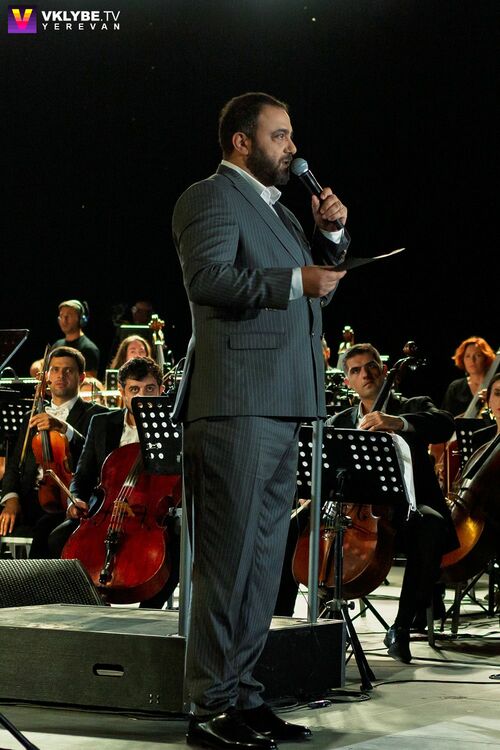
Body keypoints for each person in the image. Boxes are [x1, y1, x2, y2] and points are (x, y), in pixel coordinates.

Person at [172, 91, 350, 749]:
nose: (292, 147)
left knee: (263, 565)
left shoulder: (283, 214)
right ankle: (210, 707)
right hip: (235, 404)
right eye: (280, 136)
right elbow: (208, 280)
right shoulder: (210, 197)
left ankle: (245, 697)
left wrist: (331, 237)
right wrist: (295, 280)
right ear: (241, 141)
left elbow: (317, 284)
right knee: (227, 565)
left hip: (282, 402)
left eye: (292, 135)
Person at [326, 343, 458, 663]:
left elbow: (444, 423)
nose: (365, 374)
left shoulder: (412, 405)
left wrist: (397, 422)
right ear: (348, 381)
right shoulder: (340, 421)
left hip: (407, 512)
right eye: (355, 370)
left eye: (371, 366)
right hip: (357, 518)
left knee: (432, 525)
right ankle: (293, 624)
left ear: (384, 370)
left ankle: (401, 627)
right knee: (294, 529)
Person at [48, 356, 181, 609]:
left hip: (150, 514)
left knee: (177, 547)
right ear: (122, 392)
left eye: (149, 389)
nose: (142, 397)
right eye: (134, 390)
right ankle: (89, 604)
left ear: (161, 390)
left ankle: (149, 610)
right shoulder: (101, 423)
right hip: (106, 512)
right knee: (58, 538)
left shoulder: (174, 428)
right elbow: (82, 475)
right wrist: (75, 500)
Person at [0, 347, 108, 554]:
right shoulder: (32, 416)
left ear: (81, 377)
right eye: (55, 370)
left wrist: (64, 428)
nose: (61, 375)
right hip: (29, 497)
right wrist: (11, 500)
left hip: (66, 500)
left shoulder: (98, 416)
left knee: (45, 530)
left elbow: (96, 459)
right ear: (47, 376)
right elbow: (14, 464)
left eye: (68, 370)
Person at [441, 336, 497, 417]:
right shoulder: (455, 387)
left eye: (478, 355)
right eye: (467, 356)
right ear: (462, 359)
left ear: (486, 358)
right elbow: (444, 418)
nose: (472, 360)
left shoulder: (497, 385)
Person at [53, 299, 101, 378]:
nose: (64, 320)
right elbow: (42, 364)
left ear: (81, 319)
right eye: (61, 316)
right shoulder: (57, 345)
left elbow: (89, 381)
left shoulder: (89, 348)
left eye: (69, 315)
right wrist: (36, 365)